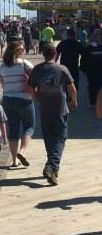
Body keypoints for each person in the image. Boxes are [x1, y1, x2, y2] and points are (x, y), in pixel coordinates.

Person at [29, 43, 77, 186]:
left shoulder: (37, 69)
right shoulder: (62, 69)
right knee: (60, 138)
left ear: (43, 54)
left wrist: (37, 98)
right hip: (60, 109)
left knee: (49, 139)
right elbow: (72, 88)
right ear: (55, 54)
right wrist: (74, 101)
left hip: (44, 109)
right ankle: (51, 167)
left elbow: (30, 88)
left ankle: (52, 167)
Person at [0, 42, 35, 168]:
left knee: (13, 131)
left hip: (8, 100)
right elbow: (36, 76)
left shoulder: (2, 67)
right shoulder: (24, 64)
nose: (24, 50)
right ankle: (22, 151)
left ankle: (14, 161)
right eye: (22, 48)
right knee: (29, 126)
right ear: (18, 51)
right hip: (24, 99)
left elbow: (3, 86)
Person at [80, 29, 102, 106]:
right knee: (97, 85)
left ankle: (94, 100)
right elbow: (83, 59)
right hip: (96, 70)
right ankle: (96, 100)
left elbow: (83, 59)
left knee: (92, 84)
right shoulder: (91, 47)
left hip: (91, 70)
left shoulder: (88, 47)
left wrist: (83, 68)